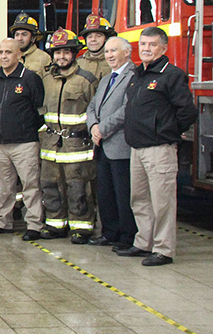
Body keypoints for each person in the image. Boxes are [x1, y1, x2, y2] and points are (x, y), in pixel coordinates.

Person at [118, 27, 197, 266]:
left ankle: (164, 249)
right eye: (143, 44)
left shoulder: (171, 75)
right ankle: (144, 243)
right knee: (139, 200)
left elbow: (188, 111)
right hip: (137, 148)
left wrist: (166, 132)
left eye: (152, 45)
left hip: (159, 149)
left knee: (162, 202)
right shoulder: (137, 75)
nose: (146, 49)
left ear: (163, 48)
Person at [0, 38, 46, 241]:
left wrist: (24, 128)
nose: (4, 56)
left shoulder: (30, 78)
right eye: (1, 52)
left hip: (24, 143)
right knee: (5, 186)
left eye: (8, 52)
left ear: (19, 55)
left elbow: (39, 109)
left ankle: (34, 224)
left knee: (30, 185)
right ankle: (3, 221)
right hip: (0, 143)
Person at [38, 29, 98, 244]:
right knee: (50, 185)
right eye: (57, 53)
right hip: (50, 144)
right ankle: (55, 224)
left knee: (78, 187)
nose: (61, 57)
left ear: (74, 54)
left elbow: (95, 111)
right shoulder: (46, 80)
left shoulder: (86, 80)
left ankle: (81, 227)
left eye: (65, 52)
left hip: (77, 145)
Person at [86, 36, 136, 251]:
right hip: (102, 145)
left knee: (123, 194)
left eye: (114, 51)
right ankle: (109, 232)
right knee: (105, 193)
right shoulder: (106, 79)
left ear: (127, 52)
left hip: (120, 145)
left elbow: (127, 110)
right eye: (107, 52)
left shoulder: (134, 76)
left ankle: (127, 237)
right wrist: (93, 127)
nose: (109, 55)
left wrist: (102, 129)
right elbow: (91, 107)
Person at [9, 12, 51, 77]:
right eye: (17, 35)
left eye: (24, 34)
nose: (20, 38)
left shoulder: (44, 58)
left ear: (33, 38)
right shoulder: (7, 56)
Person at [77, 14, 114, 82]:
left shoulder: (116, 62)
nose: (93, 39)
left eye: (98, 36)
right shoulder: (77, 64)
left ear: (106, 39)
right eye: (90, 36)